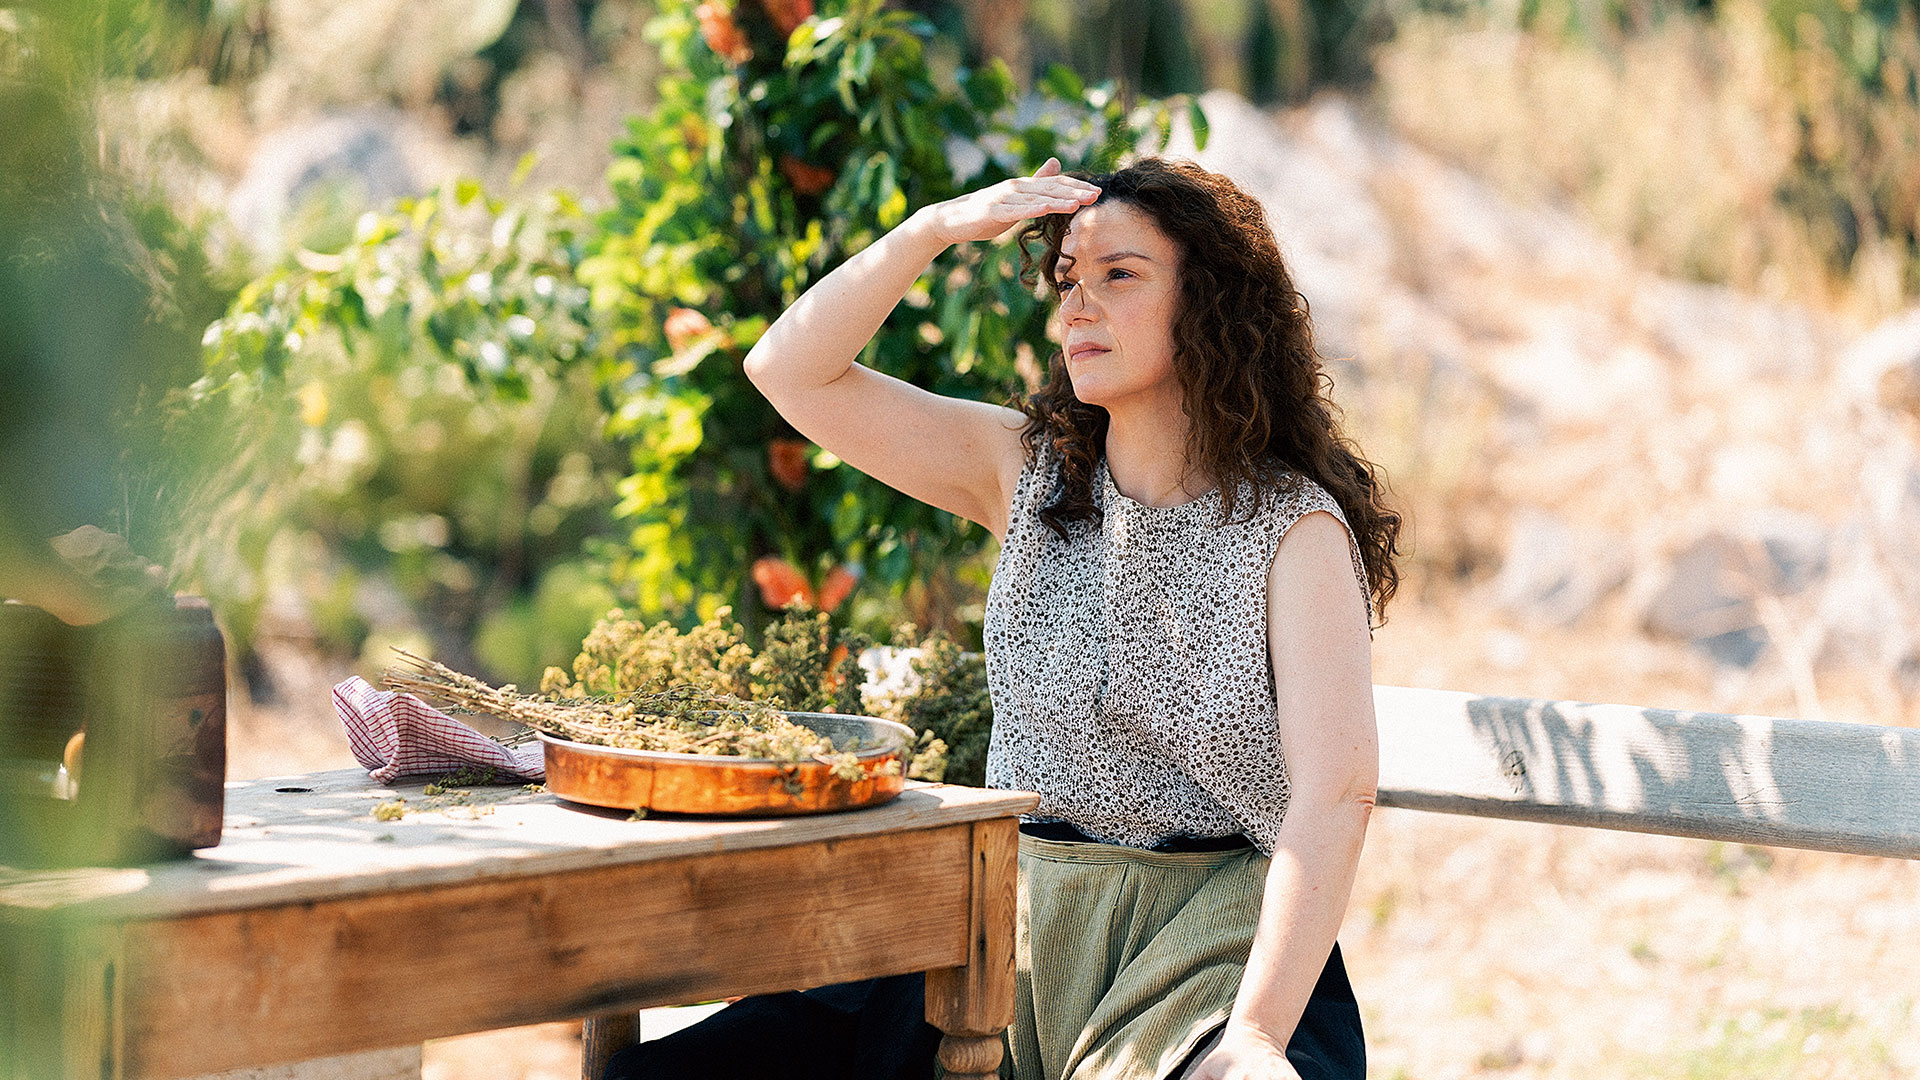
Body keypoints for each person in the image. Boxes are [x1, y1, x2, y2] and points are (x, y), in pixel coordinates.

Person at [605, 155, 1400, 1080]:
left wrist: (1256, 1036)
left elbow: (1336, 793)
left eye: (1119, 275)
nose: (1077, 309)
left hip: (1210, 956)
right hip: (1001, 936)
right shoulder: (1027, 473)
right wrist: (932, 228)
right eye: (1066, 280)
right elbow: (788, 371)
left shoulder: (1292, 531)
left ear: (1210, 301)